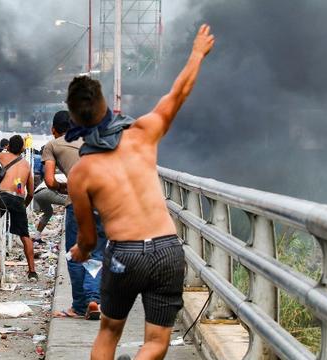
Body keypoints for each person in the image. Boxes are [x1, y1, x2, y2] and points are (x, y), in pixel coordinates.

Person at [66, 25, 214, 360]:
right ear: (106, 106)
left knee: (109, 330)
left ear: (74, 118)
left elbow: (89, 240)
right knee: (156, 341)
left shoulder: (81, 173)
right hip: (165, 249)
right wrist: (197, 53)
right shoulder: (143, 133)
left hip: (123, 256)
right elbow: (178, 93)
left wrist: (79, 250)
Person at [42, 110, 107, 320]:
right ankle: (94, 300)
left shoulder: (52, 145)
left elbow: (50, 181)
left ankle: (79, 306)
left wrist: (64, 187)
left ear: (54, 130)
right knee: (96, 253)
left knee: (75, 254)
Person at [0, 135, 37, 280]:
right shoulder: (26, 164)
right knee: (24, 235)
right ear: (22, 148)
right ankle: (32, 271)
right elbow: (31, 192)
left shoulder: (3, 155)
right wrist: (23, 205)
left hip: (3, 195)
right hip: (19, 198)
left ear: (8, 146)